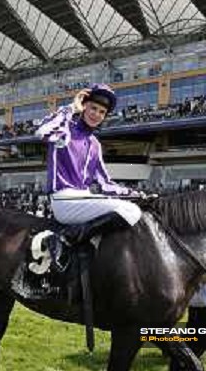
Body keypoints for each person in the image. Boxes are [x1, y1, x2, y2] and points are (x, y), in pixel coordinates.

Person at [35, 84, 142, 252]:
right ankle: (66, 238)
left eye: (102, 112)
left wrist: (134, 194)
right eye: (93, 108)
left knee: (132, 207)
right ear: (84, 106)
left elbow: (104, 184)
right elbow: (41, 131)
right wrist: (71, 107)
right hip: (63, 199)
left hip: (84, 198)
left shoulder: (95, 144)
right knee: (131, 211)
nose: (96, 115)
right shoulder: (65, 130)